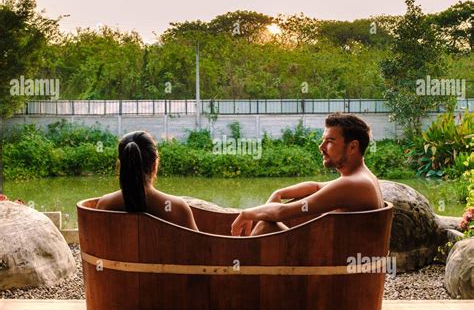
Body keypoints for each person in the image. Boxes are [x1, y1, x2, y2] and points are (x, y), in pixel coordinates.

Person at [231, 113, 384, 236]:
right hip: (342, 260)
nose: (321, 147)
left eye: (330, 141)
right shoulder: (361, 177)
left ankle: (240, 270)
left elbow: (281, 212)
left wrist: (247, 214)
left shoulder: (353, 183)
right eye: (323, 140)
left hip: (334, 269)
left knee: (266, 225)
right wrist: (279, 193)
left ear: (352, 147)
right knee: (267, 220)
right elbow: (316, 186)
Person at [97, 130, 198, 230]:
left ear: (122, 165)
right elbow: (200, 245)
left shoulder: (105, 204)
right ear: (155, 165)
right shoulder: (176, 208)